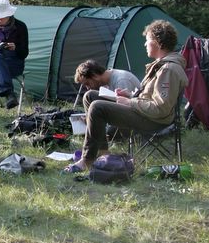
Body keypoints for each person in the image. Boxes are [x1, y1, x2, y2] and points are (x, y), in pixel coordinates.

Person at [63, 20, 188, 172]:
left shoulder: (168, 69)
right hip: (145, 112)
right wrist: (130, 95)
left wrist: (129, 102)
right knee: (90, 96)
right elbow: (150, 96)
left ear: (157, 42)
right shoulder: (161, 65)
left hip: (154, 121)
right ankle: (103, 153)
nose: (145, 44)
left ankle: (87, 159)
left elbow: (160, 109)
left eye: (147, 40)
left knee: (97, 107)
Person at [0, 0, 29, 118]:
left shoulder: (20, 27)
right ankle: (8, 93)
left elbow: (24, 53)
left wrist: (16, 48)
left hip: (13, 63)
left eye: (1, 17)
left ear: (9, 15)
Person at [74, 59, 141, 112]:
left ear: (94, 76)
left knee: (90, 96)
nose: (88, 88)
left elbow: (126, 110)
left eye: (87, 83)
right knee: (89, 96)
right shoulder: (106, 82)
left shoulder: (121, 80)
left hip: (136, 115)